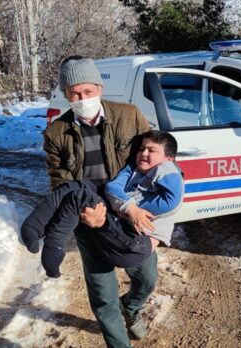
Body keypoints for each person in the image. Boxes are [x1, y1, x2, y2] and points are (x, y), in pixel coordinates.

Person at [43, 55, 153, 347]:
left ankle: (130, 308)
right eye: (74, 94)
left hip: (129, 213)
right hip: (89, 219)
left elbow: (154, 160)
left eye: (87, 91)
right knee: (103, 295)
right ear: (66, 95)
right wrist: (84, 213)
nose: (82, 98)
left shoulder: (130, 115)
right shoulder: (56, 132)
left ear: (99, 88)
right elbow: (60, 182)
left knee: (146, 277)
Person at [21, 131, 183, 280]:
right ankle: (34, 225)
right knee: (80, 185)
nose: (144, 153)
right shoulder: (133, 168)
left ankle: (54, 245)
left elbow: (172, 200)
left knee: (80, 197)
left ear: (168, 159)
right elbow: (112, 188)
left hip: (136, 244)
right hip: (121, 230)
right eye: (141, 149)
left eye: (151, 150)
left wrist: (129, 209)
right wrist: (130, 208)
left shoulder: (168, 170)